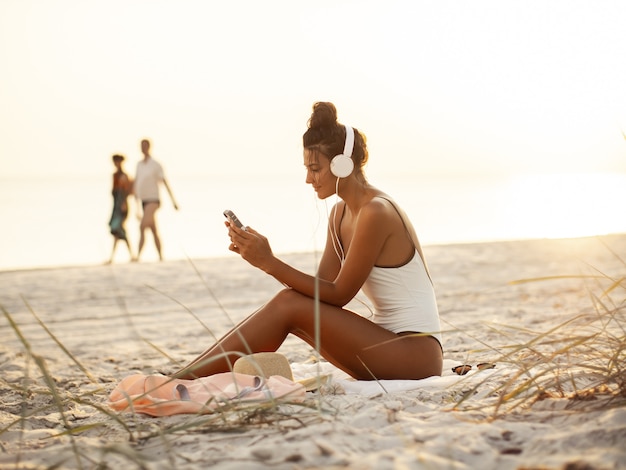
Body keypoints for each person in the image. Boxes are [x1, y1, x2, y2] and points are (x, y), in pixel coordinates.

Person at [175, 102, 443, 381]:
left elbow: (339, 294)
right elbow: (320, 296)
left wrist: (269, 263)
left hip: (416, 354)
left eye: (315, 169)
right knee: (290, 302)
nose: (308, 179)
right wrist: (259, 257)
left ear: (342, 165)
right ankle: (184, 377)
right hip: (386, 346)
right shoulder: (340, 214)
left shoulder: (376, 212)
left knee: (289, 303)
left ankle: (182, 380)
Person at [133, 138, 179, 261]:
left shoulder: (155, 164)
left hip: (153, 199)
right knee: (154, 230)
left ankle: (137, 256)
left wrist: (173, 201)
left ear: (149, 147)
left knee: (142, 226)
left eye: (145, 145)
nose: (143, 148)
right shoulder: (139, 165)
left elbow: (164, 182)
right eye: (141, 145)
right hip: (143, 200)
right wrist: (136, 206)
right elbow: (137, 184)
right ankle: (161, 257)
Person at [107, 154, 135, 263]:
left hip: (121, 206)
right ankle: (129, 255)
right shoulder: (115, 175)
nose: (116, 163)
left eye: (117, 161)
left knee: (119, 229)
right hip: (116, 206)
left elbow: (126, 192)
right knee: (118, 231)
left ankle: (129, 255)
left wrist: (123, 203)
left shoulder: (124, 176)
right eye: (115, 161)